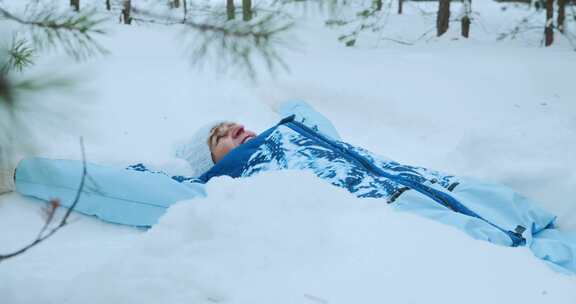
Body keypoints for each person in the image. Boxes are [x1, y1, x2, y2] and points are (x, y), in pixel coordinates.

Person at [0, 100, 575, 274]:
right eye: (222, 135)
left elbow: (312, 122)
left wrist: (286, 111)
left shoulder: (291, 136)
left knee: (543, 231)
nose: (236, 130)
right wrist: (25, 173)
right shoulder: (227, 185)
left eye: (235, 122)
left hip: (445, 185)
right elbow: (113, 189)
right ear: (209, 159)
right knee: (524, 269)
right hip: (410, 213)